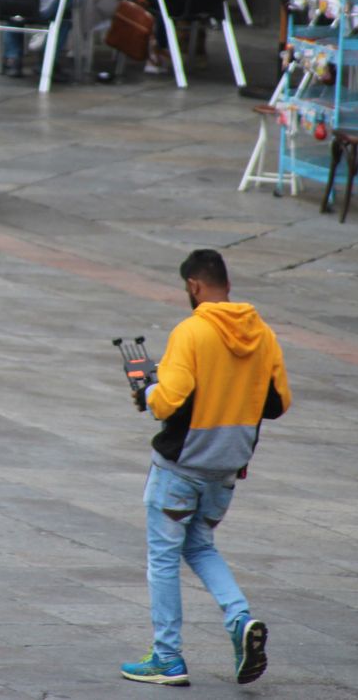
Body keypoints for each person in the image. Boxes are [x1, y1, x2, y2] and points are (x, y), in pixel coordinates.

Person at [122, 249, 290, 688]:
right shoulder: (264, 334)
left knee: (163, 558)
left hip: (181, 465)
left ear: (194, 286)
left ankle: (167, 657)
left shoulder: (192, 332)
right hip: (227, 467)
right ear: (226, 284)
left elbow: (169, 398)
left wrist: (147, 390)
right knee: (199, 546)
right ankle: (239, 619)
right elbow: (278, 403)